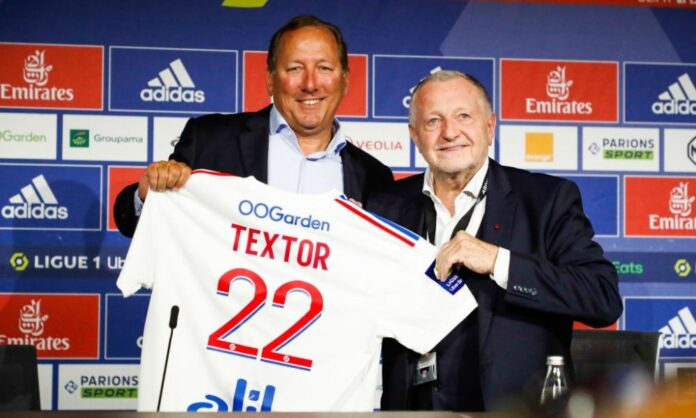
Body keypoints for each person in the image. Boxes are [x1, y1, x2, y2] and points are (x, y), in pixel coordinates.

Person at [367, 71, 623, 412]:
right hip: (413, 408)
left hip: (514, 409)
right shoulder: (384, 206)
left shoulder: (546, 200)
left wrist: (499, 261)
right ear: (415, 135)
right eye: (433, 121)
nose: (449, 132)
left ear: (490, 127)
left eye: (463, 116)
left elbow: (602, 298)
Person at [113, 15, 393, 237]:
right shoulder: (210, 140)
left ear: (345, 80)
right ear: (270, 80)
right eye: (295, 68)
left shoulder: (375, 178)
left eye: (324, 68)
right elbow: (134, 224)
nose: (310, 84)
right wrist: (147, 195)